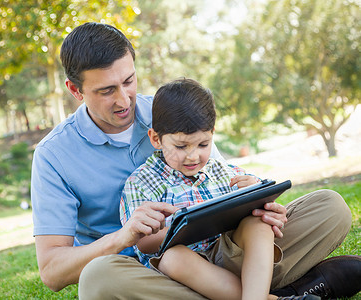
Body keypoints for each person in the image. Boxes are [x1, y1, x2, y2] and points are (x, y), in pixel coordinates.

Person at [30, 22, 361, 300]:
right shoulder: (53, 155)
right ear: (75, 90)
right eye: (106, 91)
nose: (124, 100)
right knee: (98, 279)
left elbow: (220, 183)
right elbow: (52, 272)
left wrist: (259, 203)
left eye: (129, 81)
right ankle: (289, 290)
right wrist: (124, 236)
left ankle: (252, 291)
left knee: (329, 207)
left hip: (221, 252)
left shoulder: (168, 110)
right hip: (148, 275)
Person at [119, 78, 320, 300]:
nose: (193, 156)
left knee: (261, 222)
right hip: (181, 274)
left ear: (212, 134)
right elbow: (144, 244)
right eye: (181, 146)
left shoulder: (226, 172)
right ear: (156, 139)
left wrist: (261, 200)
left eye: (203, 144)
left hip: (230, 258)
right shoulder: (141, 182)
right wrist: (192, 224)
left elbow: (263, 213)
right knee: (173, 257)